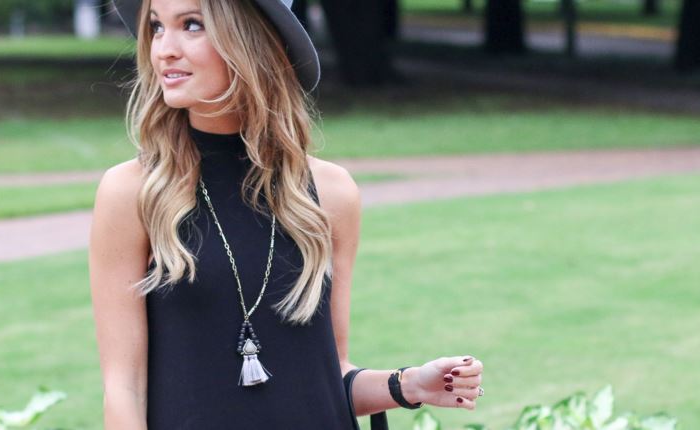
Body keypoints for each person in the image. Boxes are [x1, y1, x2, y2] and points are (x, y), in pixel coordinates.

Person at [88, 0, 485, 427]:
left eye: (192, 25)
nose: (164, 49)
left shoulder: (330, 194)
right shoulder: (134, 193)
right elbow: (124, 389)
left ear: (251, 39)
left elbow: (327, 374)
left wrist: (408, 384)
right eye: (156, 27)